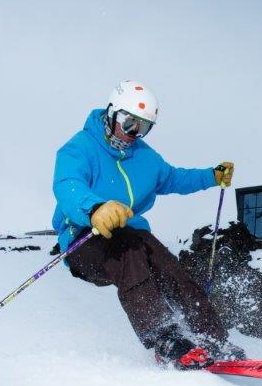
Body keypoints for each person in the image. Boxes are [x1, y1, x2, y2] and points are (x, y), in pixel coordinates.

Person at [51, 80, 241, 368]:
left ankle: (213, 338)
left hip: (131, 237)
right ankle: (164, 337)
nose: (133, 134)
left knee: (168, 264)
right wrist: (94, 208)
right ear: (111, 113)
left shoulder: (145, 157)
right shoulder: (80, 148)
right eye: (129, 123)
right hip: (86, 240)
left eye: (143, 127)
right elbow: (67, 184)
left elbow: (174, 178)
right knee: (128, 247)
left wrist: (212, 176)